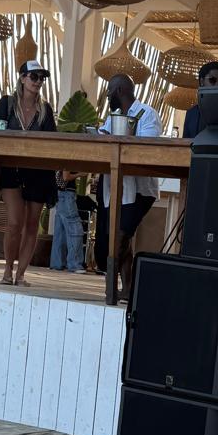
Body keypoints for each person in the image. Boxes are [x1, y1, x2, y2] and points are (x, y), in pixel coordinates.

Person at [0, 59, 58, 288]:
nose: (38, 81)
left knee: (32, 224)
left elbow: (53, 141)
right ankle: (7, 269)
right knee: (14, 222)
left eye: (41, 78)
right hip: (11, 169)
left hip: (38, 172)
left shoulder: (45, 109)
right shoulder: (7, 103)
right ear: (22, 78)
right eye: (34, 76)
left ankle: (20, 274)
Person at [96, 72, 163, 290]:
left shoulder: (147, 114)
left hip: (140, 188)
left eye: (109, 91)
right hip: (114, 185)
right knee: (119, 234)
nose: (107, 96)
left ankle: (110, 288)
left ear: (119, 90)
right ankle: (127, 288)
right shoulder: (112, 117)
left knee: (121, 235)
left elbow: (148, 149)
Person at [49, 170, 86, 273]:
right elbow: (66, 177)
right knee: (74, 228)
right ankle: (75, 264)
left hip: (61, 194)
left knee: (60, 232)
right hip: (67, 194)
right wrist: (80, 174)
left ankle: (57, 262)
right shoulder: (71, 161)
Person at [183, 59, 218, 139]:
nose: (217, 85)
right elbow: (185, 142)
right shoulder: (191, 113)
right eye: (212, 80)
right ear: (202, 81)